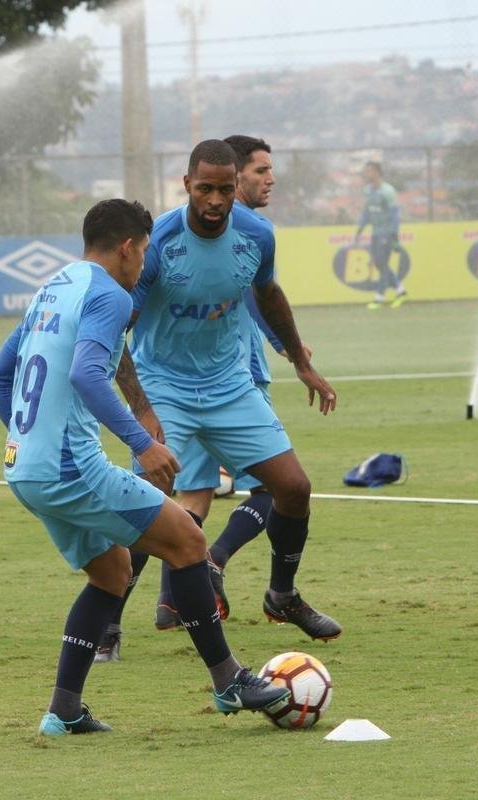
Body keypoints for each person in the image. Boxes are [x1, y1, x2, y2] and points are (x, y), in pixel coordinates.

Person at [0, 198, 288, 736]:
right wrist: (140, 443)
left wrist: (24, 437)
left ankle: (64, 710)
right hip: (71, 469)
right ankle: (229, 682)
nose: (144, 262)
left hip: (24, 469)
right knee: (189, 543)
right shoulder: (106, 292)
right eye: (144, 251)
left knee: (113, 573)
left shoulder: (54, 287)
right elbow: (86, 375)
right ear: (127, 248)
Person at [109, 139, 342, 656]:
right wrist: (142, 408)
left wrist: (302, 363)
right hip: (164, 385)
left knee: (294, 488)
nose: (215, 200)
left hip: (229, 384)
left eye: (224, 189)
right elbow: (116, 330)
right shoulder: (159, 243)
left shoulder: (256, 234)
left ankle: (282, 594)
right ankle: (107, 619)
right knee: (147, 500)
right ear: (187, 185)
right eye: (204, 188)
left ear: (235, 186)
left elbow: (268, 293)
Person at [353, 161, 406, 309]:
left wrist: (395, 236)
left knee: (381, 263)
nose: (367, 174)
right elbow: (367, 213)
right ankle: (400, 289)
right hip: (376, 232)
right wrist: (360, 230)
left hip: (387, 233)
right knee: (379, 263)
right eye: (366, 171)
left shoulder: (387, 191)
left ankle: (379, 297)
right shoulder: (368, 191)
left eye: (369, 171)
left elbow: (395, 214)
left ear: (377, 172)